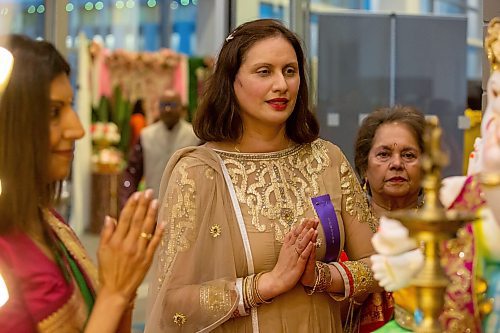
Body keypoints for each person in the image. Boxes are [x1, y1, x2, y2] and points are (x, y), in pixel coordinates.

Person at [145, 19, 381, 333]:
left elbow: (379, 264)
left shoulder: (327, 159)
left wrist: (322, 277)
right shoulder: (199, 171)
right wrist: (265, 285)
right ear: (231, 81)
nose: (281, 85)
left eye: (290, 71)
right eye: (264, 71)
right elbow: (173, 304)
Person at [0, 34, 163, 332]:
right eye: (53, 112)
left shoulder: (49, 222)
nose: (77, 129)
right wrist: (113, 293)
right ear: (9, 122)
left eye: (70, 107)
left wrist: (122, 288)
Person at [370, 18, 500, 332]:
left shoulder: (456, 200)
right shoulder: (458, 196)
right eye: (495, 95)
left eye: (410, 155)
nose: (397, 165)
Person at [351, 105, 425, 331]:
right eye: (384, 154)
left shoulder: (439, 230)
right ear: (364, 167)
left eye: (408, 155)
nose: (396, 164)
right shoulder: (349, 228)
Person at [119, 89, 199, 207]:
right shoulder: (146, 136)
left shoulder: (195, 137)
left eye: (172, 105)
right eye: (164, 105)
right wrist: (127, 201)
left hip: (188, 208)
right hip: (154, 207)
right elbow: (132, 172)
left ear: (182, 108)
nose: (168, 109)